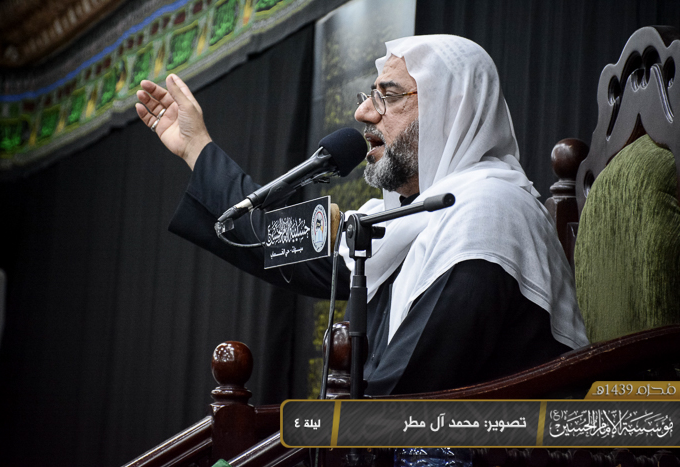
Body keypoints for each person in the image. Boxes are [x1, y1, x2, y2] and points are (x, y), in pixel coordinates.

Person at [135, 35, 589, 396]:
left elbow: (404, 390)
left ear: (451, 108)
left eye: (388, 96)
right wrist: (196, 148)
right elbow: (276, 242)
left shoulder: (488, 214)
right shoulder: (404, 223)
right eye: (369, 95)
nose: (363, 112)